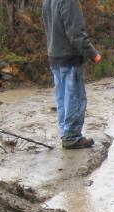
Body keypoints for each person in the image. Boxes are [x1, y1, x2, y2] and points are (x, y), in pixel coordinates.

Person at [42, 0, 102, 149]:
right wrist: (93, 53)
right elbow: (75, 33)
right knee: (74, 98)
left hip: (54, 56)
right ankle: (72, 137)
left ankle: (66, 134)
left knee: (63, 99)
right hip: (68, 57)